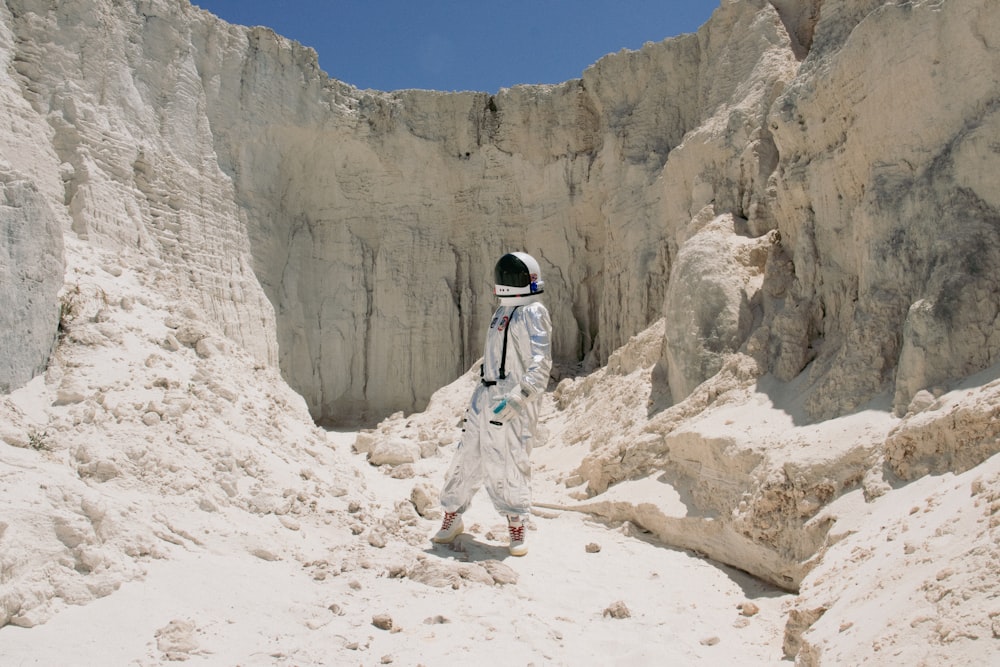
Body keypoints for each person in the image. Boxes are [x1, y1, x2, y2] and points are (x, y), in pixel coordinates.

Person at [433, 251, 553, 556]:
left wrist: (521, 396)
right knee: (467, 456)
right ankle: (452, 516)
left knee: (511, 461)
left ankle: (516, 525)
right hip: (485, 396)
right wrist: (475, 403)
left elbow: (541, 363)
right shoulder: (501, 312)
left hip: (511, 399)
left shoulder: (533, 312)